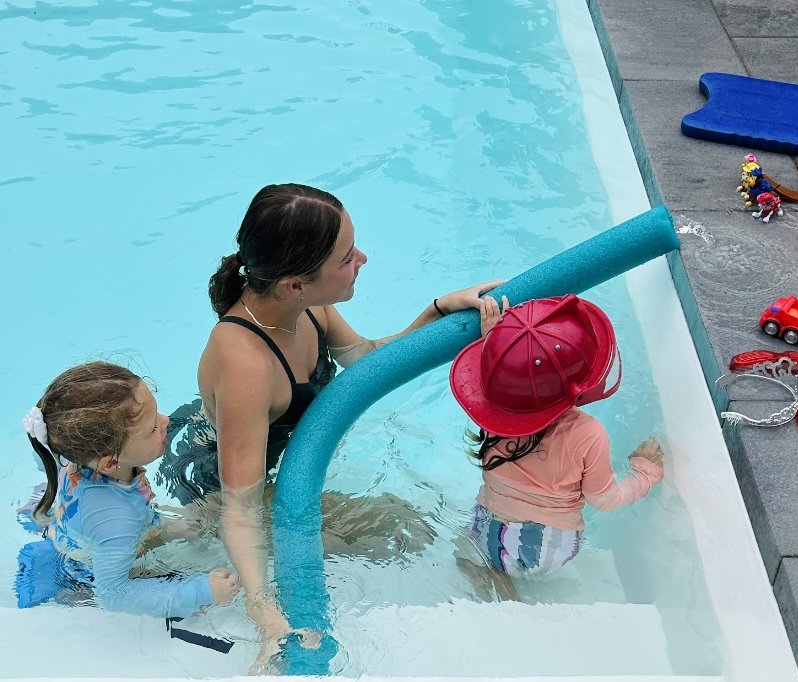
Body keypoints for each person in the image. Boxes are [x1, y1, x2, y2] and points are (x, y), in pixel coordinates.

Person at [155, 183, 502, 652]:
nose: (363, 259)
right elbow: (241, 505)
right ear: (294, 283)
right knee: (378, 536)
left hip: (253, 451)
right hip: (215, 481)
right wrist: (263, 612)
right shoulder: (245, 365)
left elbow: (363, 358)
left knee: (397, 530)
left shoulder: (308, 306)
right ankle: (149, 544)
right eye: (345, 258)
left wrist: (438, 309)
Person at [449, 294, 664, 577]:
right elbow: (605, 500)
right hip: (547, 550)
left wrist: (496, 344)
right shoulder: (588, 434)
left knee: (491, 564)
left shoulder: (492, 413)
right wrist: (643, 475)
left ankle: (493, 575)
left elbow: (498, 385)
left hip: (483, 531)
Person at [19, 361, 240, 618]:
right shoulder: (116, 520)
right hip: (90, 574)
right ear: (111, 462)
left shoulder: (76, 452)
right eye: (152, 428)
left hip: (89, 533)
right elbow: (114, 595)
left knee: (205, 526)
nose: (166, 420)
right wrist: (202, 591)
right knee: (223, 579)